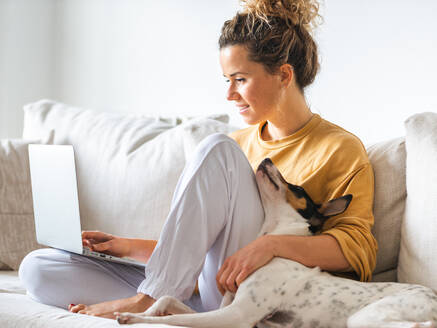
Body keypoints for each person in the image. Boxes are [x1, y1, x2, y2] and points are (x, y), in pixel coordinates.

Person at [18, 0, 377, 319]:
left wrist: (269, 245)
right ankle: (164, 300)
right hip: (206, 293)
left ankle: (150, 299)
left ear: (283, 75)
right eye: (226, 80)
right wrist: (124, 246)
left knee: (217, 148)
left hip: (259, 292)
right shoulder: (240, 145)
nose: (229, 94)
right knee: (38, 269)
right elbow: (200, 252)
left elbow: (357, 249)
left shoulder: (337, 147)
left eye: (240, 79)